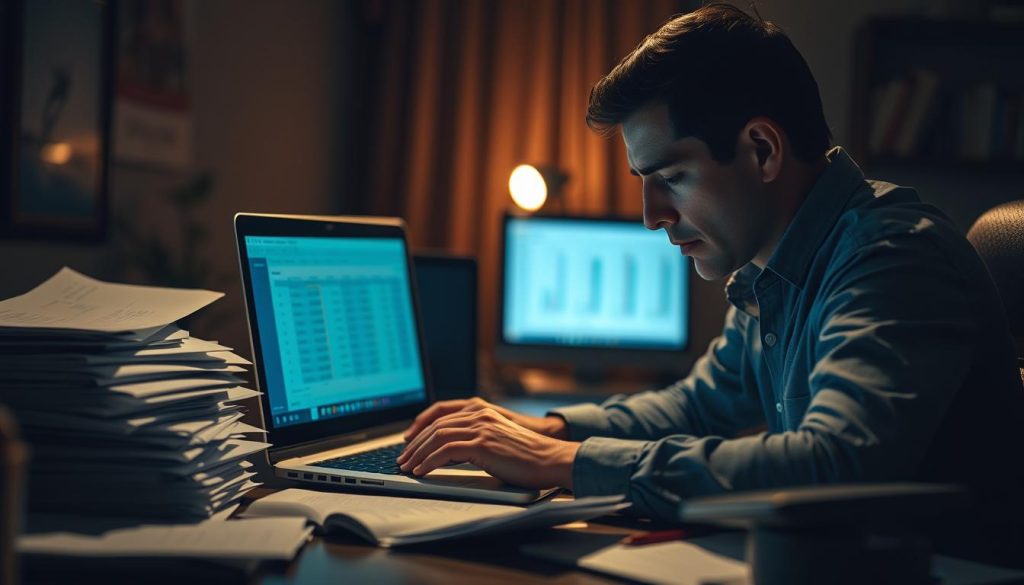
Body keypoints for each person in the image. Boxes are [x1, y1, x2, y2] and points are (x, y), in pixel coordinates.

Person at [397, 3, 1024, 563]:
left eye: (671, 176)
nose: (652, 216)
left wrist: (563, 463)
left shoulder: (893, 256)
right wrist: (549, 428)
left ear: (761, 150)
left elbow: (834, 462)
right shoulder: (772, 267)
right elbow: (697, 405)